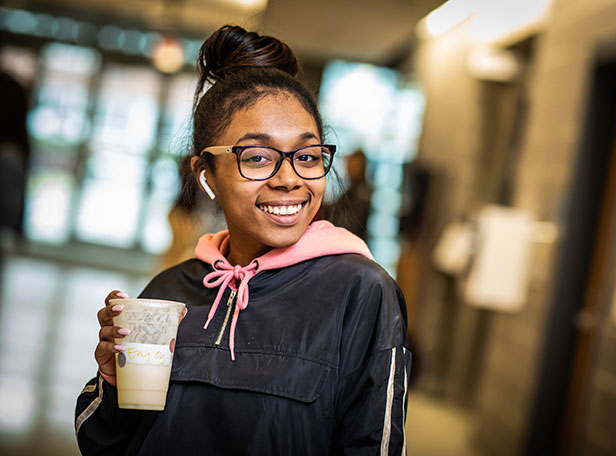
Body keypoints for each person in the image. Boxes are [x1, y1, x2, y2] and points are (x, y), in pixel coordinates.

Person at [75, 25, 411, 455]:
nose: (290, 179)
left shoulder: (361, 291)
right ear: (206, 174)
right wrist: (112, 383)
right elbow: (104, 443)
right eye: (257, 157)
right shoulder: (168, 292)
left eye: (306, 156)